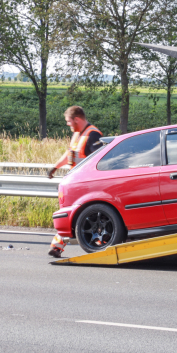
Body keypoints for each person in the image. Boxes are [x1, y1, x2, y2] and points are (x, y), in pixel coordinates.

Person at [48, 106, 103, 258]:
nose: (68, 124)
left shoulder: (93, 135)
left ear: (77, 119)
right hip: (76, 182)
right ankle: (57, 246)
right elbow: (70, 155)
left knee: (89, 216)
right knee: (71, 213)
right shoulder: (78, 134)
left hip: (87, 183)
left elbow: (98, 159)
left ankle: (99, 245)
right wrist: (55, 167)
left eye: (69, 121)